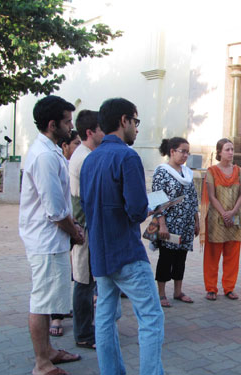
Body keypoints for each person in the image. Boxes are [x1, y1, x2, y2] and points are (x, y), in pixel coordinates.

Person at [80, 98, 164, 375]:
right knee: (151, 317)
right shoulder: (128, 157)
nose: (137, 129)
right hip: (126, 252)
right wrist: (153, 206)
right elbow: (137, 210)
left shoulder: (90, 159)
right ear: (124, 120)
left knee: (104, 317)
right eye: (136, 122)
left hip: (101, 252)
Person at [19, 95, 84, 375]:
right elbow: (55, 211)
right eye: (67, 121)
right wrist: (76, 232)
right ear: (51, 124)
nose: (71, 126)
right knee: (41, 301)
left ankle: (48, 351)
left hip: (52, 239)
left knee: (47, 301)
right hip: (45, 240)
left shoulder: (52, 149)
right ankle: (41, 364)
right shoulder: (45, 155)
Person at [69, 110, 105, 350]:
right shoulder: (84, 158)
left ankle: (87, 329)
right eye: (102, 129)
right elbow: (87, 199)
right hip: (84, 227)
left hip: (86, 226)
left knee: (87, 280)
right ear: (91, 132)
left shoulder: (87, 154)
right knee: (83, 282)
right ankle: (83, 333)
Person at [152, 137, 200, 308]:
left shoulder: (187, 173)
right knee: (166, 257)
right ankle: (161, 293)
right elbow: (157, 199)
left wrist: (196, 221)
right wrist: (162, 224)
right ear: (172, 151)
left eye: (188, 152)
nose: (186, 155)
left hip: (186, 224)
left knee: (181, 257)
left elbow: (193, 198)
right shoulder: (162, 171)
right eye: (183, 151)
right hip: (170, 224)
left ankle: (178, 291)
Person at [200, 138, 241, 301]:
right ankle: (211, 288)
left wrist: (232, 212)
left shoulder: (238, 170)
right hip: (215, 217)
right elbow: (211, 196)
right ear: (219, 152)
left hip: (234, 217)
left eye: (232, 149)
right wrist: (224, 213)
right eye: (227, 149)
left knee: (232, 253)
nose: (231, 152)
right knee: (212, 254)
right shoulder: (212, 171)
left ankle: (229, 287)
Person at [48, 129, 81, 338]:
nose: (79, 147)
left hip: (73, 222)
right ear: (65, 146)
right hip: (60, 226)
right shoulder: (56, 163)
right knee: (57, 274)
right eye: (76, 143)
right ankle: (56, 316)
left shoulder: (74, 165)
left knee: (70, 270)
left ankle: (63, 308)